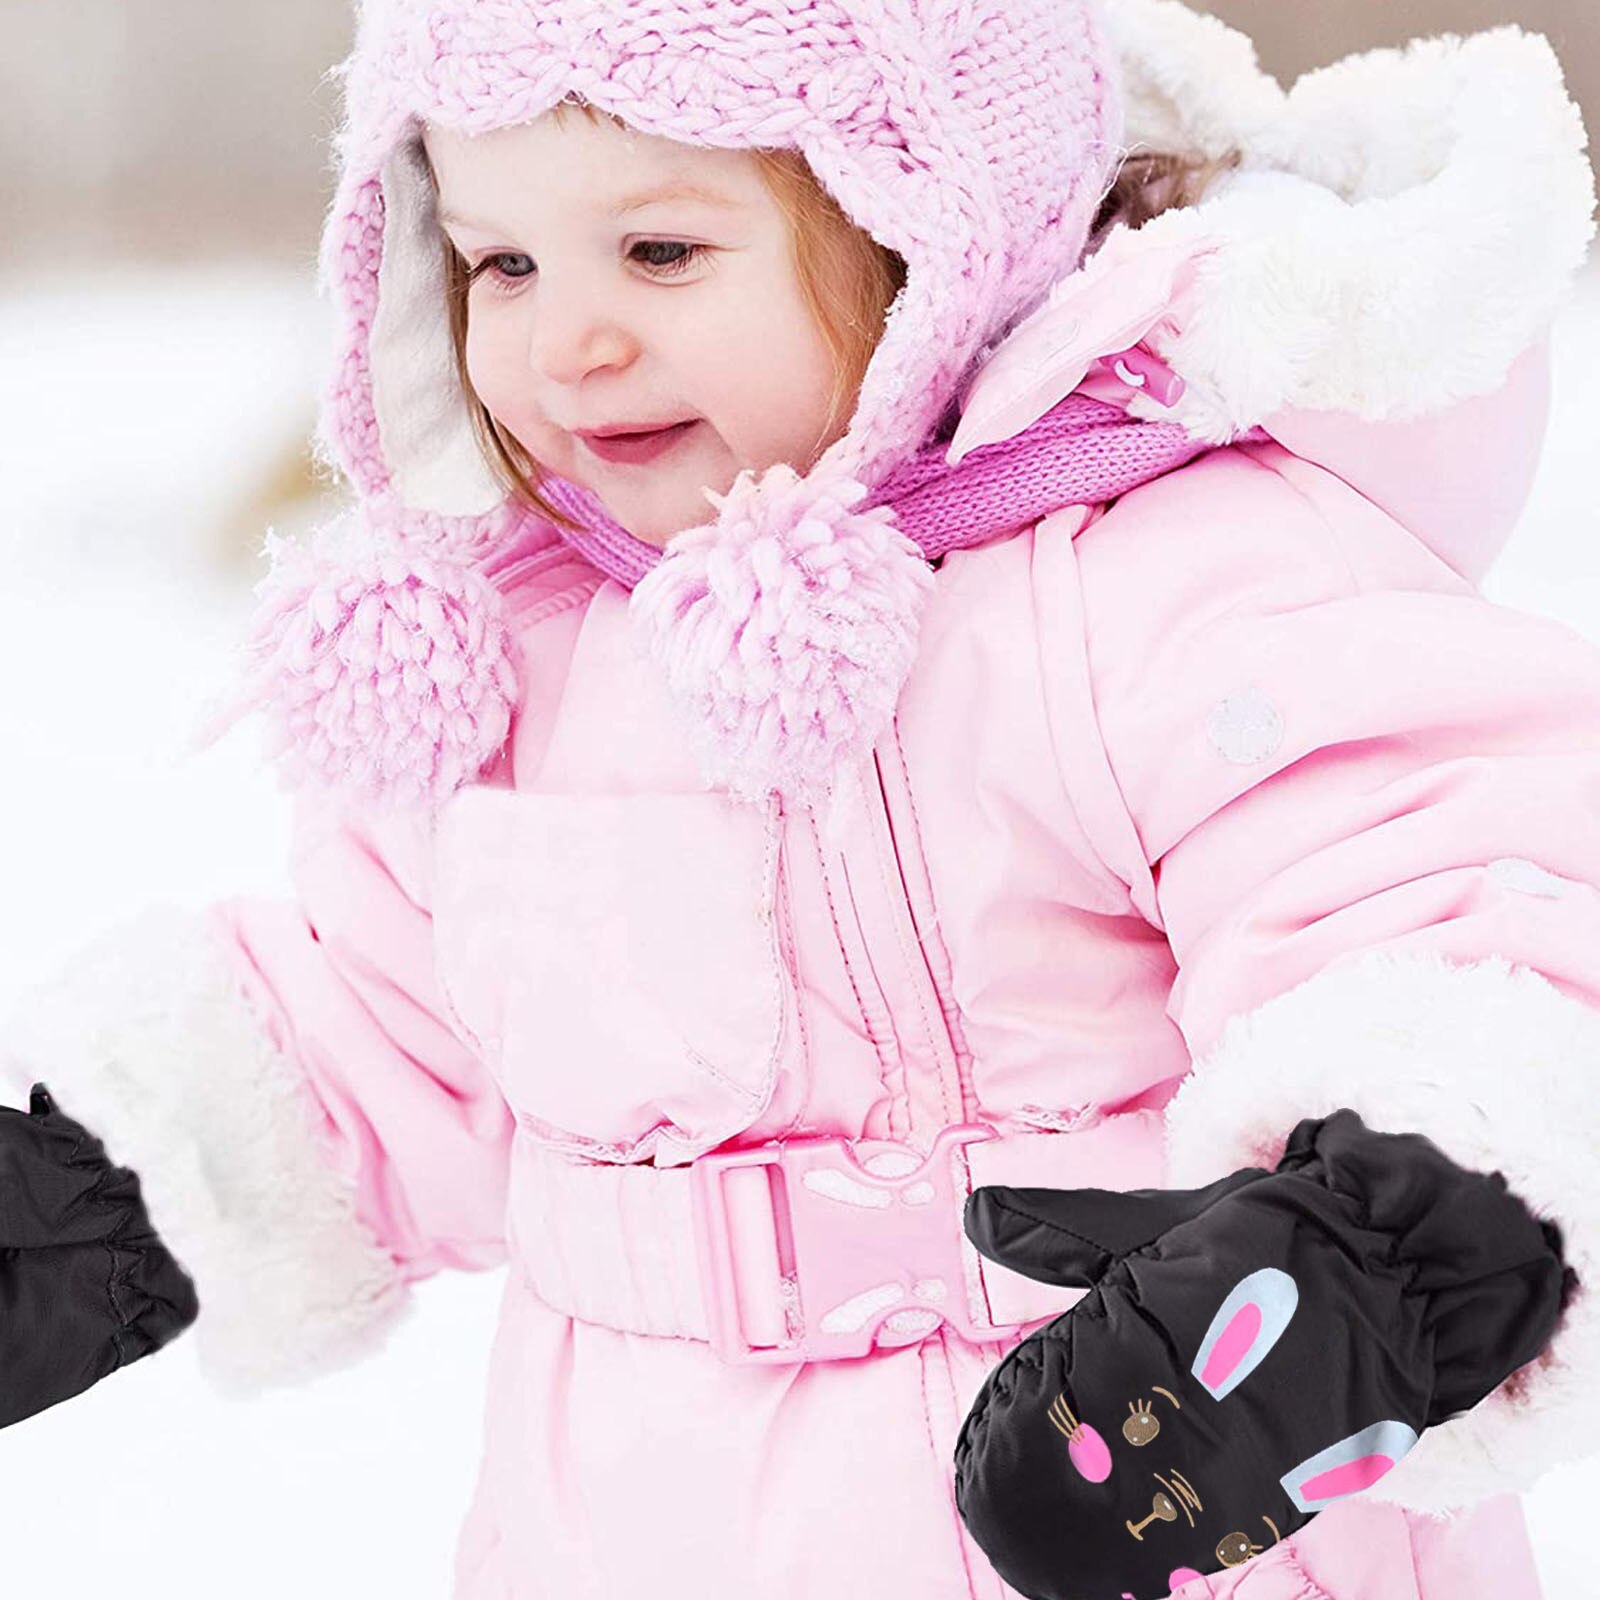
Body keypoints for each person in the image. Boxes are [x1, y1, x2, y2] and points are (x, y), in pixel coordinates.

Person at [3, 1, 1599, 1596]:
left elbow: (1454, 899)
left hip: (1155, 1500)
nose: (568, 340)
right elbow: (374, 1030)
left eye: (660, 253)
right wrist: (90, 1201)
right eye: (502, 264)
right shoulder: (535, 665)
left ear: (924, 240)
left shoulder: (1166, 583)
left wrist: (1379, 1254)